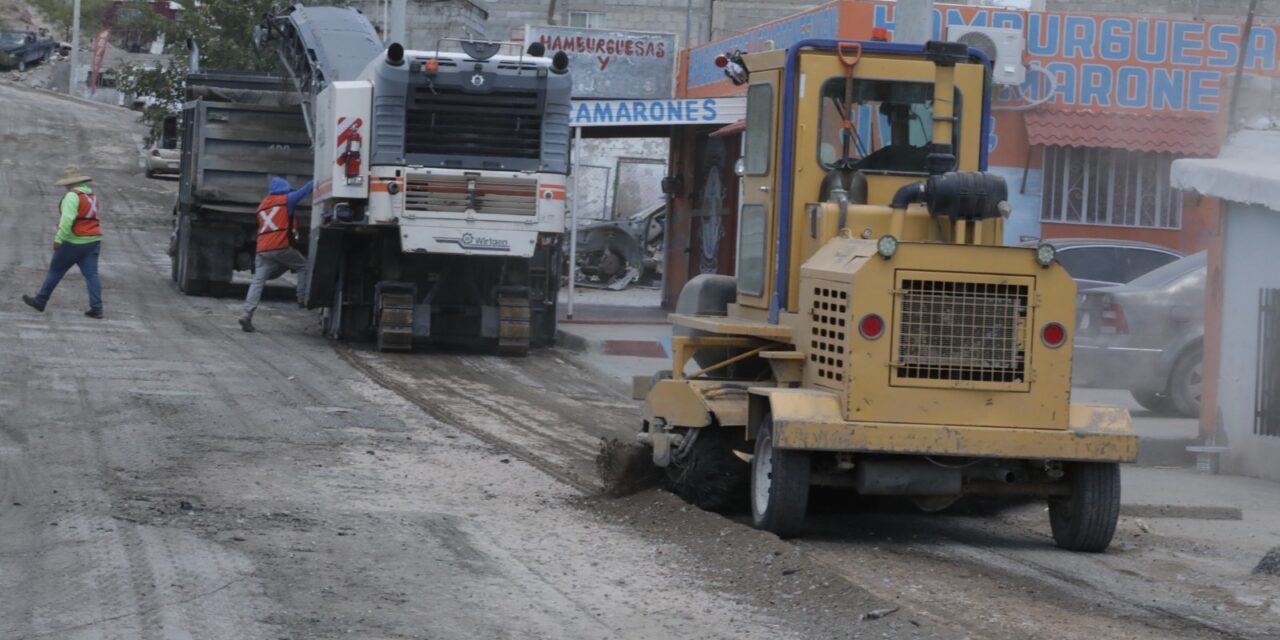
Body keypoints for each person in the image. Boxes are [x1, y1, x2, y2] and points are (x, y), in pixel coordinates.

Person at [22, 166, 104, 318]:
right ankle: (97, 307)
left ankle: (40, 300)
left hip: (73, 241)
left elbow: (67, 220)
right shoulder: (91, 196)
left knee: (56, 271)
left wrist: (59, 239)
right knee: (92, 274)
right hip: (93, 240)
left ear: (69, 183)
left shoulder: (72, 196)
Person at [239, 176, 314, 333]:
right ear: (284, 189)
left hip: (262, 250)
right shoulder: (286, 200)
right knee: (304, 266)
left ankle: (246, 313)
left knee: (258, 282)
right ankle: (301, 298)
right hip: (280, 246)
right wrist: (320, 178)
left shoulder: (262, 206)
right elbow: (305, 190)